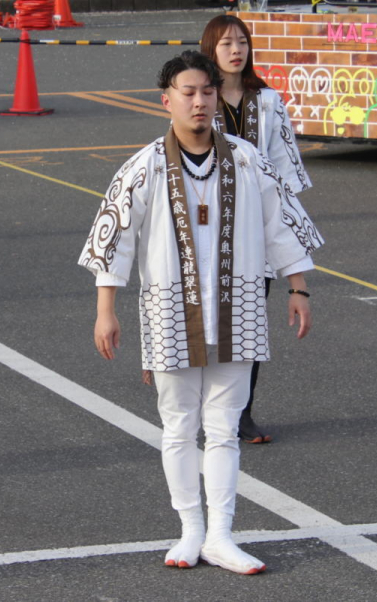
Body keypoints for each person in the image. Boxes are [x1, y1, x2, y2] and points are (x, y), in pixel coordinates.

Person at [81, 51, 322, 574]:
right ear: (166, 100)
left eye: (207, 92)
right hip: (170, 310)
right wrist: (106, 310)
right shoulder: (144, 165)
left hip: (240, 308)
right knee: (178, 427)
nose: (199, 102)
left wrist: (298, 288)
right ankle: (190, 528)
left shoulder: (246, 159)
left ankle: (221, 534)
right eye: (187, 92)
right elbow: (115, 238)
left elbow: (281, 223)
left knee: (224, 428)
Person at [201, 14, 311, 445]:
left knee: (248, 325)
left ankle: (241, 413)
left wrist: (285, 222)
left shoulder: (268, 100)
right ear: (210, 49)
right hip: (207, 229)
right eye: (226, 43)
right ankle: (204, 408)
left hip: (255, 232)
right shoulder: (200, 95)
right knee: (206, 324)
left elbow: (284, 168)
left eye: (242, 42)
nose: (236, 50)